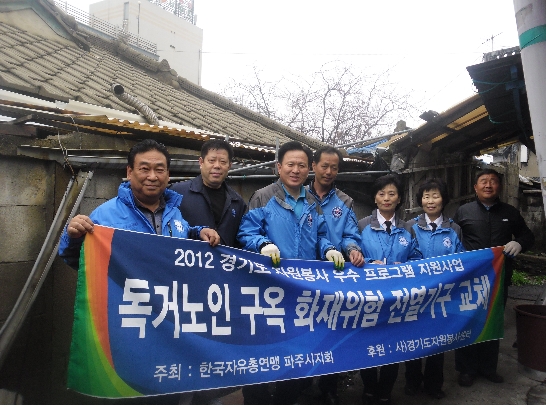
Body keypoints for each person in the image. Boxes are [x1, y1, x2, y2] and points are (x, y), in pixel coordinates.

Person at [58, 139, 221, 404]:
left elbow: (180, 242)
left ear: (168, 174)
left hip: (169, 328)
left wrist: (198, 232)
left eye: (159, 169)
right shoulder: (105, 215)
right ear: (129, 172)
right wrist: (74, 236)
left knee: (169, 394)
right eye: (144, 169)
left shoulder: (174, 214)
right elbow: (75, 259)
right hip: (126, 329)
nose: (152, 176)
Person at [236, 141, 345, 405]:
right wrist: (262, 243)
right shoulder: (263, 197)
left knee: (297, 348)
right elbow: (246, 232)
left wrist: (329, 249)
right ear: (279, 167)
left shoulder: (312, 201)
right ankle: (257, 400)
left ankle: (288, 398)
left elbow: (320, 235)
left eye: (301, 165)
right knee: (263, 347)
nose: (296, 170)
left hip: (302, 290)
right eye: (290, 164)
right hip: (269, 289)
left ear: (309, 169)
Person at [453, 168, 535, 387]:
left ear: (499, 186)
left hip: (499, 277)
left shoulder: (510, 212)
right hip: (470, 279)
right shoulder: (463, 212)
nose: (488, 185)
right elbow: (450, 238)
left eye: (493, 181)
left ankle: (488, 368)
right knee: (468, 321)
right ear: (475, 187)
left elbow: (527, 235)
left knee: (493, 321)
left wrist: (520, 243)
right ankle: (466, 369)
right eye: (483, 181)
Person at [307, 146, 365, 404]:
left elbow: (350, 234)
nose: (329, 172)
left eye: (334, 167)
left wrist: (352, 250)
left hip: (335, 277)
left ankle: (329, 387)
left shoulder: (345, 201)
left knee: (332, 331)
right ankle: (301, 384)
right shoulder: (298, 194)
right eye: (324, 166)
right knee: (304, 330)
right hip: (303, 276)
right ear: (314, 166)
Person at [357, 173, 422, 405]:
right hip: (368, 297)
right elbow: (352, 255)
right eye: (381, 193)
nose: (386, 198)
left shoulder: (407, 229)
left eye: (392, 194)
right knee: (367, 344)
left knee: (392, 345)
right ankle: (369, 388)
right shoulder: (361, 225)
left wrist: (403, 267)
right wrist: (367, 262)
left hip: (397, 298)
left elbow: (417, 258)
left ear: (399, 198)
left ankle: (386, 390)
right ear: (375, 198)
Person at [403, 178, 465, 399]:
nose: (430, 201)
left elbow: (461, 262)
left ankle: (434, 385)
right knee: (413, 340)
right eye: (426, 196)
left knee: (437, 341)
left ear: (443, 199)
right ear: (420, 200)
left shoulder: (454, 229)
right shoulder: (409, 227)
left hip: (441, 296)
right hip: (414, 295)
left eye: (435, 196)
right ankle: (412, 381)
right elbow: (403, 257)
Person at [170, 139, 246, 248]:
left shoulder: (237, 202)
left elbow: (240, 241)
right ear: (201, 162)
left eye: (223, 162)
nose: (217, 166)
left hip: (223, 259)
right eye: (211, 160)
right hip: (186, 257)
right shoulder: (177, 193)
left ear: (229, 166)